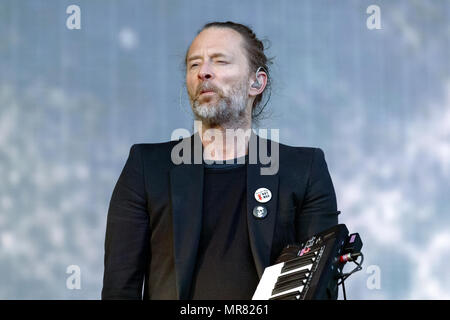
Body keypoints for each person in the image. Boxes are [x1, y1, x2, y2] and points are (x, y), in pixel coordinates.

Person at [101, 21, 340, 300]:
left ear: (257, 82)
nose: (203, 72)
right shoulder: (146, 167)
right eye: (194, 65)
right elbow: (120, 288)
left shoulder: (304, 169)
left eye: (220, 61)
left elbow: (321, 288)